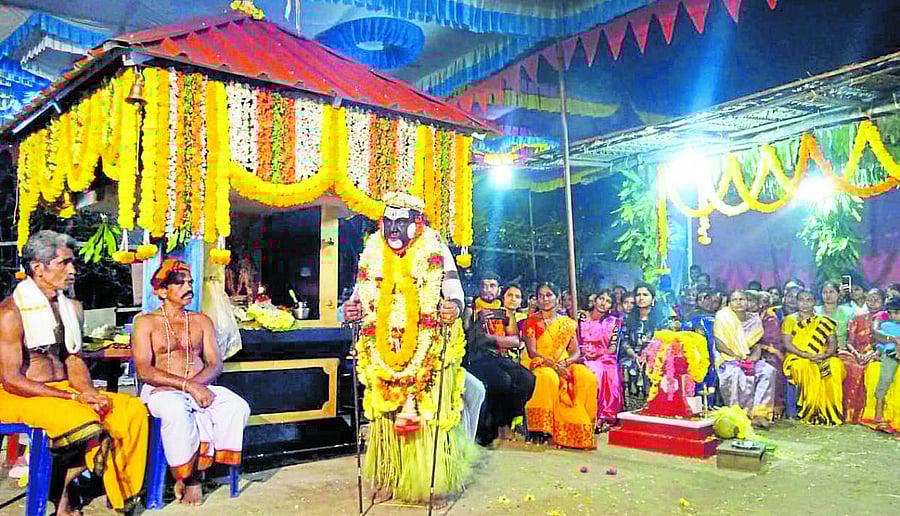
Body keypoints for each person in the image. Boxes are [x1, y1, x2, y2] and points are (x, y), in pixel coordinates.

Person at [0, 230, 148, 515]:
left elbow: (73, 359)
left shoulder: (71, 308)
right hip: (19, 395)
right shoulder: (10, 313)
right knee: (87, 421)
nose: (72, 270)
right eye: (64, 263)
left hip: (63, 391)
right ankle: (61, 490)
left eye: (72, 262)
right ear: (38, 269)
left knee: (131, 409)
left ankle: (116, 492)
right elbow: (11, 379)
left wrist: (88, 392)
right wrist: (70, 398)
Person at [343, 192, 474, 503]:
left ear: (418, 222)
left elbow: (456, 295)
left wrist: (452, 309)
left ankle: (429, 478)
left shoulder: (435, 248)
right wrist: (350, 310)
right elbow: (357, 297)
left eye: (400, 223)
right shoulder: (372, 250)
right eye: (387, 223)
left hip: (429, 347)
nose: (393, 230)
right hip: (382, 344)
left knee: (428, 413)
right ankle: (389, 474)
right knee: (384, 412)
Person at [132, 259, 250, 505]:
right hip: (161, 391)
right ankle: (189, 478)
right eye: (179, 283)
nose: (188, 287)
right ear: (161, 291)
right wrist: (188, 387)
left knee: (237, 406)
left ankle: (205, 468)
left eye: (190, 282)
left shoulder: (201, 320)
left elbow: (215, 363)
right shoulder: (145, 322)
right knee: (175, 411)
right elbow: (143, 369)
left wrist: (194, 387)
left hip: (200, 386)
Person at [521, 282, 598, 448]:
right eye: (541, 296)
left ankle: (584, 425)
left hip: (563, 363)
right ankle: (541, 429)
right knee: (548, 377)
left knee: (587, 377)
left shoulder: (566, 323)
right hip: (540, 363)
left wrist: (566, 362)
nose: (544, 299)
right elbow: (533, 352)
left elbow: (576, 352)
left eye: (549, 295)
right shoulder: (531, 322)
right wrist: (556, 367)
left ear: (557, 298)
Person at [466, 280, 535, 446]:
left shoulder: (504, 312)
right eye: (484, 285)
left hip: (499, 357)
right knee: (502, 380)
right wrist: (478, 323)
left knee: (527, 379)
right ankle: (487, 429)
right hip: (477, 358)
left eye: (492, 286)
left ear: (498, 290)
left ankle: (502, 421)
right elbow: (471, 339)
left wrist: (491, 339)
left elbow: (515, 340)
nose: (487, 290)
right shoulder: (472, 307)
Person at [782, 289, 846, 425]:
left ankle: (830, 411)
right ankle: (810, 410)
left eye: (809, 300)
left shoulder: (823, 321)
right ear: (797, 302)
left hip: (821, 355)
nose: (805, 303)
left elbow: (832, 343)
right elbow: (787, 344)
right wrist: (806, 355)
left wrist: (825, 355)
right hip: (797, 356)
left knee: (835, 365)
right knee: (805, 367)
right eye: (802, 300)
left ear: (815, 302)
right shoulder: (790, 320)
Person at [713, 290, 777, 427]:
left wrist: (753, 359)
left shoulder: (754, 319)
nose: (739, 302)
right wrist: (735, 357)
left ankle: (760, 413)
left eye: (742, 299)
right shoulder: (723, 317)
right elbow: (719, 344)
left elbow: (756, 345)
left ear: (747, 302)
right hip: (727, 357)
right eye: (735, 300)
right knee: (735, 373)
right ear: (729, 303)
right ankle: (738, 414)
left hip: (748, 357)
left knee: (768, 370)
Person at [579, 289, 624, 431]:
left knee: (607, 373)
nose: (603, 303)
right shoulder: (580, 316)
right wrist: (583, 353)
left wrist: (597, 354)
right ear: (595, 299)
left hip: (605, 356)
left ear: (611, 306)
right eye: (601, 299)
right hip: (581, 354)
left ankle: (602, 417)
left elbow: (612, 348)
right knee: (590, 369)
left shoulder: (614, 322)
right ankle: (586, 414)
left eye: (608, 301)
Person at [842, 288, 884, 424]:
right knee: (853, 368)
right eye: (870, 299)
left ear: (883, 302)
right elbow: (849, 342)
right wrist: (857, 354)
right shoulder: (857, 318)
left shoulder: (887, 318)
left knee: (873, 370)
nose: (873, 302)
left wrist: (873, 354)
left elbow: (888, 342)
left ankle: (870, 413)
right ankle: (851, 414)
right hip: (857, 354)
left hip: (878, 355)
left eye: (876, 299)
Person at [620, 283, 665, 408]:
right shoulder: (628, 319)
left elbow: (661, 342)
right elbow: (625, 342)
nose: (641, 298)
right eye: (638, 295)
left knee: (650, 368)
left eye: (645, 295)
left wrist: (647, 355)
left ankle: (653, 408)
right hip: (632, 356)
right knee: (626, 367)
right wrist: (635, 356)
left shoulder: (661, 320)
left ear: (653, 299)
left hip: (654, 356)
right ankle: (631, 409)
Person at [870, 297, 900, 432]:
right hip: (890, 355)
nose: (895, 315)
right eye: (893, 312)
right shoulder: (885, 326)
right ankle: (879, 405)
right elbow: (879, 341)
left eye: (897, 312)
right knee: (886, 377)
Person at [815, 280, 855, 349]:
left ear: (838, 294)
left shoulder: (849, 312)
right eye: (825, 292)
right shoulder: (815, 311)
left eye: (831, 292)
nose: (828, 295)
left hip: (842, 350)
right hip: (818, 349)